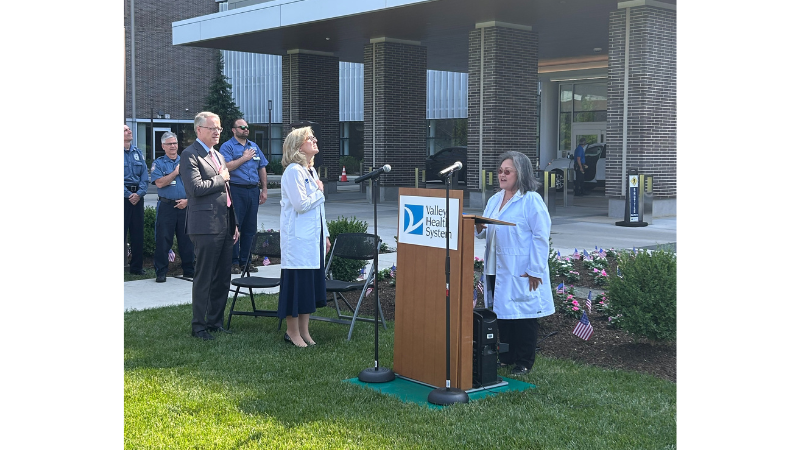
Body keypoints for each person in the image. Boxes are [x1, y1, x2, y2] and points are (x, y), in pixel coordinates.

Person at [475, 150, 554, 376]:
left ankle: (524, 362)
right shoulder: (494, 199)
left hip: (521, 268)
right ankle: (506, 357)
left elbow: (540, 237)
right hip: (496, 267)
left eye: (507, 171)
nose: (502, 175)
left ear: (520, 173)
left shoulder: (531, 201)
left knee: (524, 317)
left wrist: (535, 270)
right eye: (500, 171)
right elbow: (485, 229)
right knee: (502, 314)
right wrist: (478, 228)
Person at [179, 112, 240, 341]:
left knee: (223, 277)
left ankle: (215, 322)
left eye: (219, 128)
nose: (217, 132)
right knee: (204, 276)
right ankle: (199, 326)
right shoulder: (189, 155)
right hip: (204, 225)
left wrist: (233, 223)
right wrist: (221, 178)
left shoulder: (218, 155)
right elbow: (195, 188)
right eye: (212, 128)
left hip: (224, 224)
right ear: (199, 130)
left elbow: (227, 195)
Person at [278, 126, 331, 348]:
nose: (315, 140)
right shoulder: (293, 171)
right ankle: (292, 332)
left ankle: (305, 331)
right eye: (310, 138)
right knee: (297, 287)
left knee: (308, 287)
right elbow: (300, 205)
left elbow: (319, 210)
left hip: (313, 238)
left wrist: (325, 234)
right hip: (298, 241)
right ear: (298, 146)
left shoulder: (310, 171)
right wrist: (319, 192)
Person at [219, 118, 269, 274]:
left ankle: (245, 262)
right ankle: (233, 262)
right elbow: (226, 166)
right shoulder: (227, 147)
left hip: (252, 190)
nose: (245, 129)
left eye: (247, 127)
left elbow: (262, 167)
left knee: (250, 228)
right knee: (234, 226)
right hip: (236, 189)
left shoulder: (253, 146)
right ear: (234, 130)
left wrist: (264, 189)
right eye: (242, 127)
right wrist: (244, 158)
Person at [150, 131, 195, 283]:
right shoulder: (159, 163)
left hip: (185, 205)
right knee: (163, 240)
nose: (173, 146)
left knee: (187, 240)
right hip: (167, 206)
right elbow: (160, 183)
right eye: (169, 144)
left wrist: (188, 201)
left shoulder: (187, 161)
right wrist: (175, 172)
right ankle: (161, 272)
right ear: (163, 146)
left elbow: (194, 184)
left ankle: (189, 270)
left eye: (175, 143)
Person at [124, 124, 149, 275]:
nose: (129, 131)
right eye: (125, 130)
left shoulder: (138, 153)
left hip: (137, 197)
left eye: (129, 129)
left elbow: (144, 177)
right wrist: (128, 195)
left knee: (137, 233)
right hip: (122, 198)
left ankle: (136, 268)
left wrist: (139, 193)